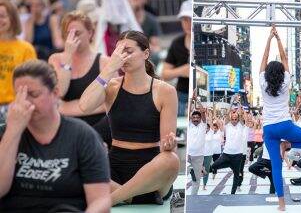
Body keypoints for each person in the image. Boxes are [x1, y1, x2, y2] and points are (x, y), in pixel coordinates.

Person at [79, 30, 180, 205]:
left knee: (171, 160)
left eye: (129, 51)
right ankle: (132, 196)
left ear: (146, 54)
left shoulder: (165, 91)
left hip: (151, 164)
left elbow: (166, 147)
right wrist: (110, 68)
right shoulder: (112, 86)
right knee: (76, 164)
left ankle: (113, 198)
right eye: (119, 51)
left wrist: (169, 145)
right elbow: (85, 105)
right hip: (116, 163)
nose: (123, 56)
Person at [0, 60, 111, 212]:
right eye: (19, 95)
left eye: (33, 94)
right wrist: (13, 130)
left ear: (55, 93)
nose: (25, 102)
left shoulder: (83, 136)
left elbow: (101, 200)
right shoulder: (5, 133)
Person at [259, 25, 301, 211]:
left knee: (276, 167)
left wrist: (269, 40)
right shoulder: (286, 82)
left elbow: (263, 59)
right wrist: (278, 39)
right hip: (285, 126)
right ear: (281, 74)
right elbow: (285, 58)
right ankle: (288, 145)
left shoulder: (262, 83)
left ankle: (281, 205)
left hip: (269, 130)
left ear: (268, 74)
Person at [48, 11, 111, 147]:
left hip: (98, 125)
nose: (72, 38)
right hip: (65, 125)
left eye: (77, 33)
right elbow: (60, 92)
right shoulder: (56, 59)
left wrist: (67, 107)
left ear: (90, 33)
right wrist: (68, 57)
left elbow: (111, 103)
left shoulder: (105, 62)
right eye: (68, 33)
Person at [0, 0, 37, 125]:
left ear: (13, 18)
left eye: (2, 16)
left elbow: (33, 82)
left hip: (14, 107)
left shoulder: (26, 49)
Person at [162, 0, 191, 116]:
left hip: (203, 96)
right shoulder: (177, 43)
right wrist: (181, 71)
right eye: (185, 20)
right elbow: (165, 73)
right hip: (181, 96)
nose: (188, 24)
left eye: (191, 19)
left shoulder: (207, 42)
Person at [211, 105, 248, 194]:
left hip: (238, 155)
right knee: (214, 166)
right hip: (226, 153)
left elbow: (242, 117)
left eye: (236, 119)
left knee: (236, 175)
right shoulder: (227, 125)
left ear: (238, 119)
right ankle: (229, 165)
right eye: (233, 119)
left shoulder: (241, 125)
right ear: (230, 119)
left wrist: (239, 105)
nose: (234, 120)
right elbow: (227, 115)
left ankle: (233, 193)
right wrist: (231, 104)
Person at [187, 92, 207, 194]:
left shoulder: (203, 125)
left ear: (200, 119)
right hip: (187, 155)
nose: (195, 119)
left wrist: (197, 100)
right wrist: (191, 99)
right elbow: (189, 112)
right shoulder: (189, 124)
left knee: (197, 179)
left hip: (198, 156)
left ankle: (193, 197)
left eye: (197, 118)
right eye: (193, 117)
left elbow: (203, 111)